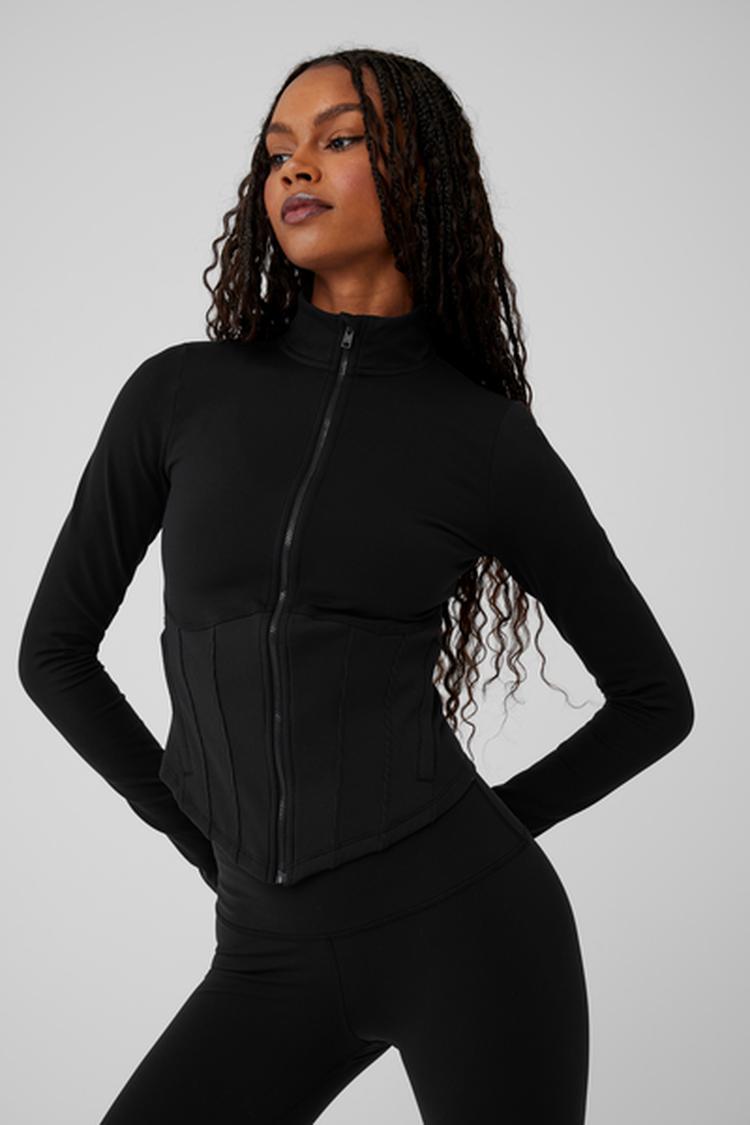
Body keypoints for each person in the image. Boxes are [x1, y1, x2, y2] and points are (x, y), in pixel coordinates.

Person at [17, 47, 694, 1125]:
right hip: (264, 954)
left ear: (420, 174)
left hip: (472, 933)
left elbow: (656, 701)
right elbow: (51, 653)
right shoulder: (180, 396)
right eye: (277, 151)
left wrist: (480, 842)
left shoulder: (482, 440)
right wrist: (199, 834)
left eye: (338, 140)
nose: (295, 168)